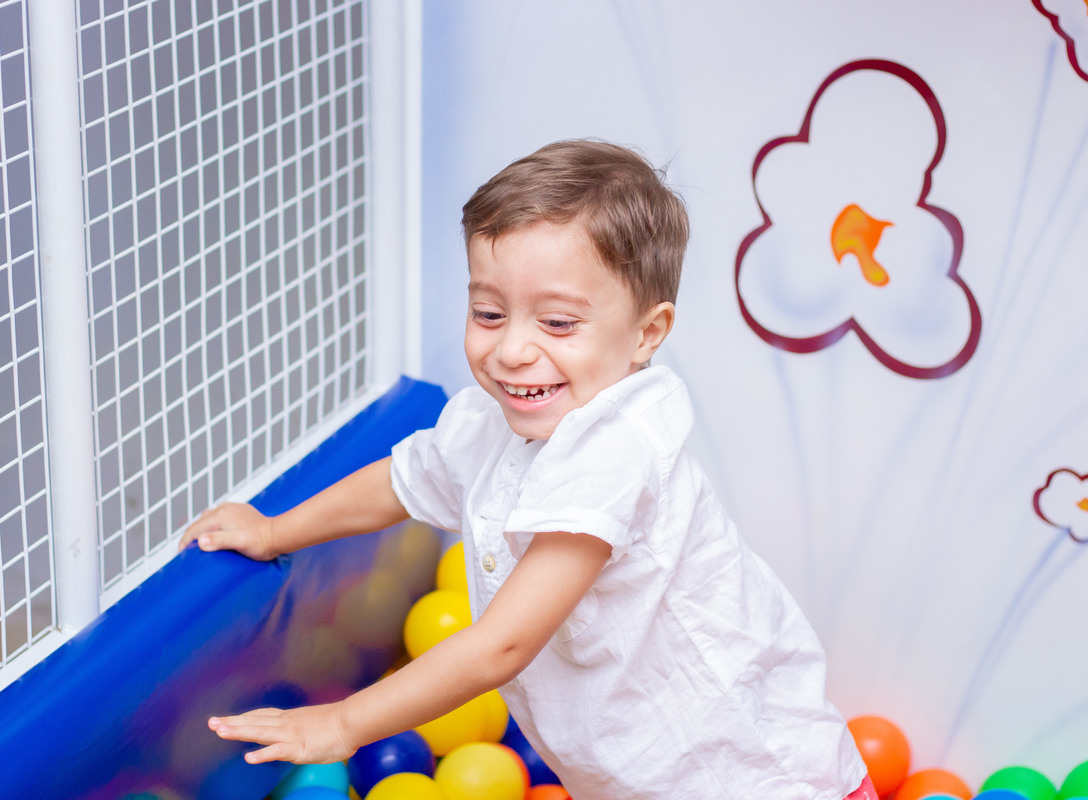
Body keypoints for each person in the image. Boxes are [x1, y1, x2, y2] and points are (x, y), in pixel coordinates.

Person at [179, 139, 875, 800]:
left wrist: (342, 723)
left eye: (559, 324)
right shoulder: (492, 423)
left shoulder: (617, 450)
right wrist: (274, 532)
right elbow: (398, 482)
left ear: (647, 334)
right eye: (489, 312)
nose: (513, 350)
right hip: (636, 772)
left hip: (744, 775)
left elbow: (502, 644)